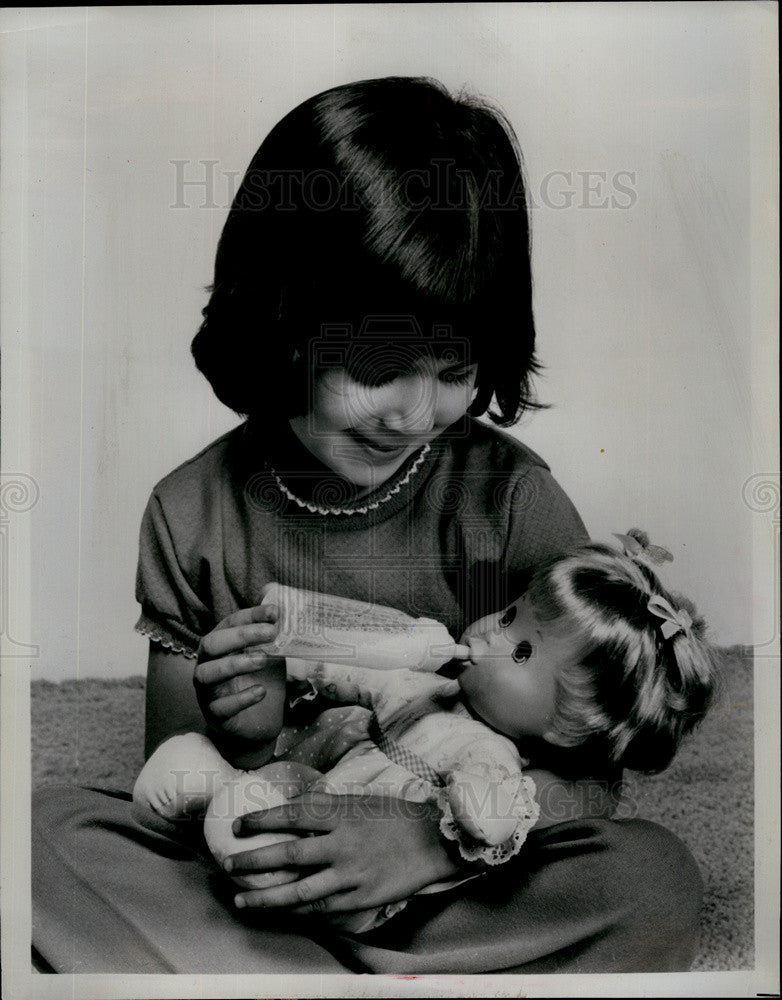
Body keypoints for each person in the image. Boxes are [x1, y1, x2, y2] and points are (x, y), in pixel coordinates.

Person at [31, 76, 705, 975]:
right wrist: (248, 722)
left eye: (455, 366)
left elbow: (585, 766)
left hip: (448, 886)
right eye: (382, 362)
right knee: (39, 831)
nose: (418, 413)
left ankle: (254, 980)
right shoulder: (196, 518)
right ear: (279, 321)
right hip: (257, 867)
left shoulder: (494, 506)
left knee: (654, 876)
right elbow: (177, 771)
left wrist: (431, 840)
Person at [131, 539, 718, 934]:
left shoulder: (488, 756)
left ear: (567, 727)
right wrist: (275, 664)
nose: (490, 631)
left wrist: (434, 840)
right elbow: (344, 672)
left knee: (650, 878)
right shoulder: (423, 683)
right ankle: (221, 802)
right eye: (510, 613)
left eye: (519, 650)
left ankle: (250, 881)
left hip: (375, 884)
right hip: (304, 779)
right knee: (63, 816)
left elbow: (490, 816)